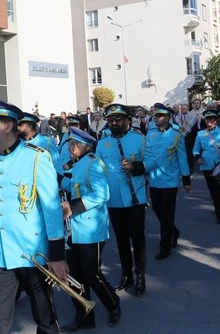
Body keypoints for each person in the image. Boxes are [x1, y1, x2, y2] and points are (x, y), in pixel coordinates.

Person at [0, 99, 67, 333]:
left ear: (8, 125)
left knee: (45, 320)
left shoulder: (36, 157)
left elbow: (51, 207)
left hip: (32, 254)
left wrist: (56, 254)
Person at [59, 127, 121, 331]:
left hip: (91, 229)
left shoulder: (93, 164)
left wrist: (72, 206)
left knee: (91, 273)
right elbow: (69, 185)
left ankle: (113, 304)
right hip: (73, 230)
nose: (68, 149)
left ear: (78, 146)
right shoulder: (76, 164)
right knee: (75, 276)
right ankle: (84, 315)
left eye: (70, 146)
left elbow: (102, 194)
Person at [95, 103, 150, 296]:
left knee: (138, 238)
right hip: (114, 200)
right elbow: (99, 170)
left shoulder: (139, 139)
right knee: (121, 240)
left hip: (135, 198)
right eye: (110, 120)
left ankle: (140, 275)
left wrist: (135, 167)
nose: (114, 123)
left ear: (128, 120)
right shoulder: (102, 143)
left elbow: (151, 161)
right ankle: (126, 274)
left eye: (118, 119)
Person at [144, 103, 191, 260]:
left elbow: (182, 157)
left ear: (168, 118)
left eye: (160, 116)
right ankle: (173, 231)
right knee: (157, 209)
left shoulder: (177, 135)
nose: (156, 118)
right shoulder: (150, 134)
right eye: (156, 116)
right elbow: (146, 155)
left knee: (167, 213)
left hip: (170, 180)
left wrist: (186, 179)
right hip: (154, 179)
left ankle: (165, 246)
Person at [193, 109, 220, 224]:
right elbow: (196, 149)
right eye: (207, 119)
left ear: (215, 121)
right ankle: (217, 205)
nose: (209, 121)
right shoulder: (200, 133)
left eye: (211, 119)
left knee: (219, 189)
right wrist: (197, 157)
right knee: (212, 189)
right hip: (206, 165)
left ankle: (219, 211)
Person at [18, 112, 63, 178]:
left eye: (20, 125)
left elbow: (56, 164)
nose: (17, 128)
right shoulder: (18, 142)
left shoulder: (47, 141)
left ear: (30, 127)